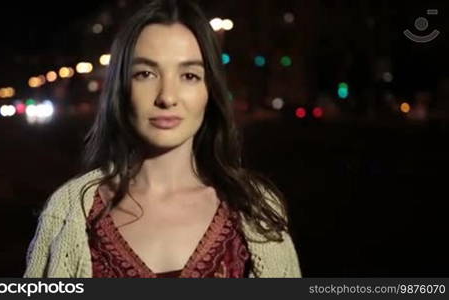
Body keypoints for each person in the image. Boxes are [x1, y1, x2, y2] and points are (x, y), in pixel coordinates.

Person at [24, 0, 301, 278]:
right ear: (121, 88)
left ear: (210, 90)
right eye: (145, 74)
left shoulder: (256, 208)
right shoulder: (68, 212)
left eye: (189, 75)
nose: (167, 97)